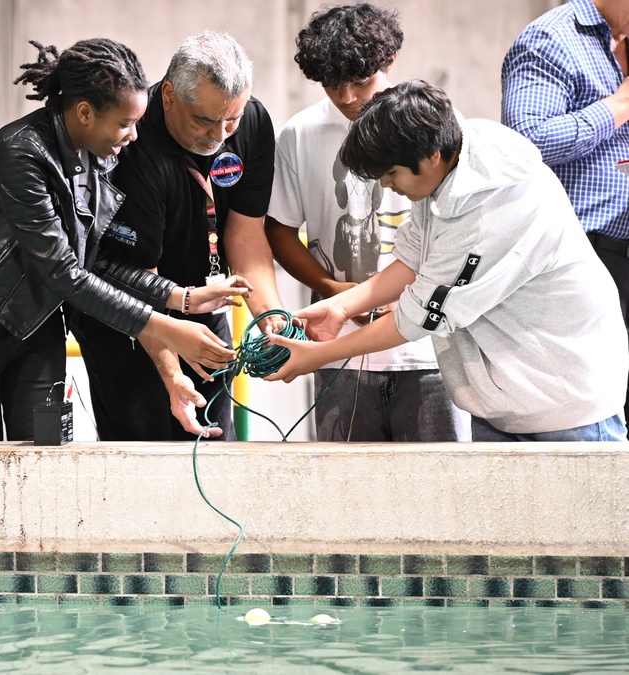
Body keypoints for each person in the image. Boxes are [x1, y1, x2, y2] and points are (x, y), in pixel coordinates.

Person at [0, 39, 250, 442]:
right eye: (125, 124)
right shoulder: (20, 153)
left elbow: (94, 264)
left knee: (46, 447)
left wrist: (178, 297)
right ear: (84, 113)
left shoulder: (99, 153)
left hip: (38, 320)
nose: (133, 136)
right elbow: (65, 273)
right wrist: (168, 327)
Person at [265, 80, 628, 442]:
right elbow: (412, 258)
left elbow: (416, 317)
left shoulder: (488, 209)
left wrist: (321, 355)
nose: (388, 186)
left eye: (391, 174)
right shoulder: (456, 158)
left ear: (431, 156)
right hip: (507, 402)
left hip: (565, 409)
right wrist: (339, 307)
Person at [266, 3, 468, 442]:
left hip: (428, 354)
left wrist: (410, 298)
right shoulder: (300, 134)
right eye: (332, 85)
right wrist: (338, 297)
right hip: (339, 354)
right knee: (344, 494)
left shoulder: (432, 128)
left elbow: (446, 243)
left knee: (440, 489)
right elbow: (278, 231)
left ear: (389, 61)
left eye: (361, 82)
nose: (347, 97)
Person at [72, 31, 284, 441]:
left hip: (203, 302)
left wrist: (272, 318)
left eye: (232, 119)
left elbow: (245, 233)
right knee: (147, 455)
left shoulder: (252, 122)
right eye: (204, 120)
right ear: (168, 96)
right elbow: (138, 280)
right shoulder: (132, 147)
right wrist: (172, 374)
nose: (221, 135)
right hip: (129, 315)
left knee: (215, 447)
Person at [502, 0, 629, 424]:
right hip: (584, 256)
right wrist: (619, 105)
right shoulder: (552, 39)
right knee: (595, 409)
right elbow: (524, 142)